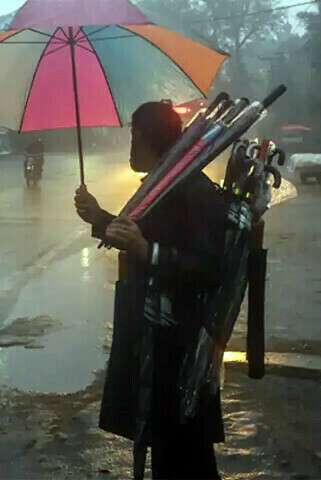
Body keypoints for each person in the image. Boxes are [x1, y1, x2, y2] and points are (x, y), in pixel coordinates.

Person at [74, 101, 226, 479]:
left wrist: (147, 250)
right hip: (157, 345)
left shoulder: (192, 189)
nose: (129, 146)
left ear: (148, 138)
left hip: (180, 350)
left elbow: (209, 267)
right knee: (168, 446)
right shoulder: (163, 186)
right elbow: (145, 235)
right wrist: (100, 219)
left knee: (186, 453)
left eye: (133, 136)